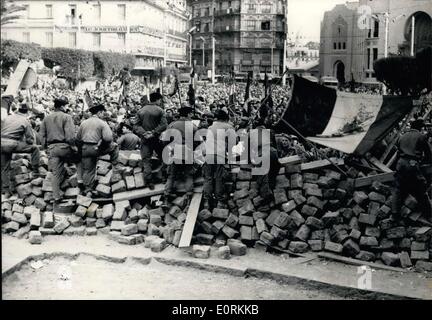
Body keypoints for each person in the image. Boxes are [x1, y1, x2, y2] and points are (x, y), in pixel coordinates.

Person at [38, 97, 78, 203]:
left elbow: (41, 135)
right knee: (80, 161)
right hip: (64, 147)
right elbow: (70, 136)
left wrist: (45, 147)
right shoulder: (67, 117)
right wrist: (74, 147)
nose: (66, 108)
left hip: (52, 148)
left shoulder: (46, 118)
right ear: (61, 107)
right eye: (65, 106)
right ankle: (81, 187)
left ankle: (56, 197)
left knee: (55, 174)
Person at [392, 119, 432, 221]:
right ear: (420, 127)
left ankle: (395, 214)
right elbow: (429, 154)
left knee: (398, 188)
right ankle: (429, 214)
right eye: (422, 128)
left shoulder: (402, 136)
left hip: (400, 164)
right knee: (421, 187)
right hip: (412, 164)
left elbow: (398, 153)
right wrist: (424, 162)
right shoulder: (420, 136)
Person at [76, 104, 120, 197]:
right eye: (102, 113)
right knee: (115, 146)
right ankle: (115, 168)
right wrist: (101, 145)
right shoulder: (102, 123)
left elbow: (78, 138)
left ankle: (88, 190)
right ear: (99, 112)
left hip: (85, 149)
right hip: (96, 148)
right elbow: (108, 138)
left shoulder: (83, 123)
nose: (103, 114)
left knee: (88, 170)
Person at [1, 103, 41, 197]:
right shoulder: (25, 121)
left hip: (1, 143)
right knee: (35, 148)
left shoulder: (8, 117)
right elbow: (30, 140)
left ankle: (6, 191)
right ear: (27, 112)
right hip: (12, 144)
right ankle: (35, 171)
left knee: (4, 168)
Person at [163, 105, 198, 206]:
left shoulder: (172, 125)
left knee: (171, 175)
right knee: (188, 175)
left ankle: (166, 198)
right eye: (191, 113)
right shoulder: (193, 126)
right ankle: (189, 197)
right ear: (187, 114)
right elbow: (198, 141)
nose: (192, 115)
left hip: (175, 151)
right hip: (188, 151)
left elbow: (165, 140)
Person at [203, 108, 237, 209]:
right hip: (219, 155)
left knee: (208, 178)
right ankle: (220, 202)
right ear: (226, 119)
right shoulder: (228, 127)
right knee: (219, 178)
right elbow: (233, 143)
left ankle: (206, 202)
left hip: (208, 155)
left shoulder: (210, 127)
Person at [133, 91, 168, 189]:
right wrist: (153, 132)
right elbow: (164, 125)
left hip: (145, 139)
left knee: (146, 161)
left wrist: (144, 133)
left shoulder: (141, 111)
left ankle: (149, 182)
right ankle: (164, 177)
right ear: (158, 100)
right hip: (156, 139)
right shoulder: (160, 110)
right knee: (164, 157)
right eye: (160, 100)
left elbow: (135, 125)